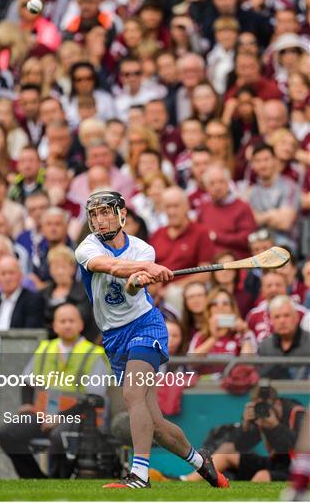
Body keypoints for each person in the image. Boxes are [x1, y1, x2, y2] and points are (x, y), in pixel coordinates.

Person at [75, 190, 229, 489]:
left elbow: (133, 290)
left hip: (146, 325)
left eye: (106, 212)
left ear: (122, 215)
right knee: (155, 425)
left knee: (133, 396)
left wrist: (139, 277)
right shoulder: (87, 248)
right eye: (94, 214)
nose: (100, 219)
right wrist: (143, 272)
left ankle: (139, 476)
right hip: (113, 336)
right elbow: (113, 268)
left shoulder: (143, 249)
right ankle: (201, 462)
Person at [0, 303, 109, 479]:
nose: (67, 325)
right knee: (6, 434)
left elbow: (94, 398)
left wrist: (60, 417)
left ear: (81, 325)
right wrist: (26, 403)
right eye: (62, 321)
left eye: (71, 321)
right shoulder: (45, 349)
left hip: (78, 417)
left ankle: (59, 479)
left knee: (60, 437)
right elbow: (27, 381)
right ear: (55, 325)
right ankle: (36, 479)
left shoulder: (93, 354)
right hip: (42, 414)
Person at [184, 383, 305, 483]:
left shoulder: (297, 413)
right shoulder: (261, 417)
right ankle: (185, 480)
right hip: (276, 462)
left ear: (277, 403)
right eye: (258, 405)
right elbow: (240, 446)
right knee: (227, 450)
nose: (263, 409)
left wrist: (276, 426)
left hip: (297, 467)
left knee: (262, 476)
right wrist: (246, 425)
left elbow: (301, 448)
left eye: (266, 405)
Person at [188, 287, 256, 376]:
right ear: (209, 310)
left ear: (232, 309)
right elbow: (190, 363)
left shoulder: (244, 334)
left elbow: (248, 365)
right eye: (214, 304)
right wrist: (214, 338)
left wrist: (244, 334)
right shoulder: (201, 336)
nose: (220, 307)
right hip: (206, 386)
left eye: (225, 303)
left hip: (234, 385)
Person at [197, 164, 256, 259]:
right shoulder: (204, 208)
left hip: (235, 263)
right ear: (206, 188)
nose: (217, 187)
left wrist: (217, 237)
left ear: (228, 183)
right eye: (212, 183)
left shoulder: (242, 207)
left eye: (221, 182)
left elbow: (248, 239)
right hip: (208, 264)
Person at [258, 295, 310, 380]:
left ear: (296, 317)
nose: (282, 321)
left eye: (286, 315)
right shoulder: (265, 346)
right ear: (272, 321)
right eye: (277, 317)